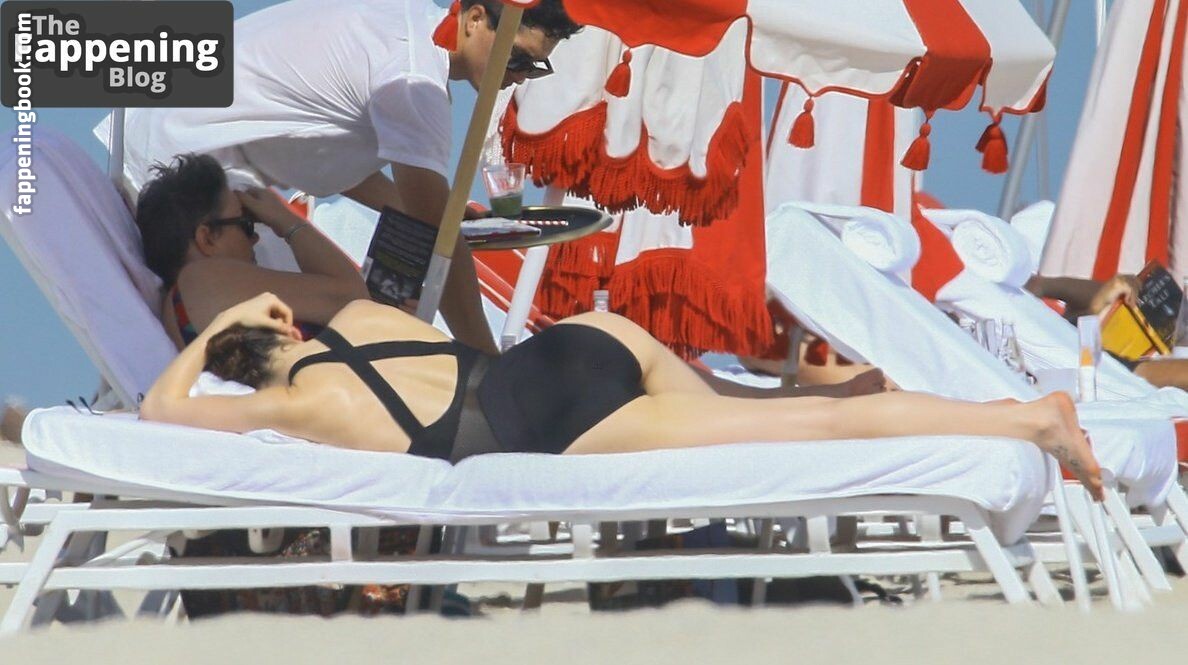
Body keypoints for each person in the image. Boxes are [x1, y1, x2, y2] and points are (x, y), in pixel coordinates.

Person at [141, 293, 1105, 500]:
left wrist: (211, 324)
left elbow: (159, 408)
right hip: (580, 341)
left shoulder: (288, 407)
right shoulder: (357, 311)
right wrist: (251, 305)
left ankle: (1028, 418)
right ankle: (993, 414)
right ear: (284, 328)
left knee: (816, 425)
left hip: (553, 421)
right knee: (772, 416)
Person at [111, 0, 582, 355]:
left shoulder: (402, 22)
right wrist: (486, 363)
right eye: (517, 59)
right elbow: (439, 241)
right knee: (312, 327)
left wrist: (430, 213)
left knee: (334, 312)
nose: (520, 77)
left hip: (177, 136)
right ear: (475, 19)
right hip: (188, 170)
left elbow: (320, 136)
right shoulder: (414, 82)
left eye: (536, 68)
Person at [135, 154, 368, 349]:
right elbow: (353, 300)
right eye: (246, 224)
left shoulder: (182, 308)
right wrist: (286, 220)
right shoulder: (202, 281)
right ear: (207, 238)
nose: (255, 238)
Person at [1026, 274, 1188, 391]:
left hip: (1082, 343)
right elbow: (1139, 373)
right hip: (1097, 365)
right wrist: (1096, 309)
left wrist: (1042, 285)